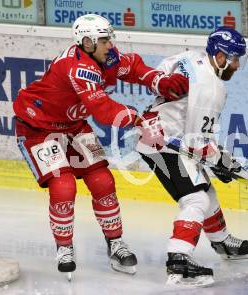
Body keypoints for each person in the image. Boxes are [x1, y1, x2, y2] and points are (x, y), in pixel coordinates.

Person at [12, 14, 188, 278]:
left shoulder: (104, 56)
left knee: (103, 181)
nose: (110, 45)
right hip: (39, 128)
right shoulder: (77, 67)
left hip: (73, 126)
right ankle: (64, 247)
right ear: (86, 42)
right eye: (104, 40)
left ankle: (115, 242)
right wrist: (139, 119)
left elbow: (132, 67)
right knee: (64, 185)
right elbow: (103, 110)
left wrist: (158, 80)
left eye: (109, 39)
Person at [136, 27, 248, 287]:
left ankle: (222, 241)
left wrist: (220, 160)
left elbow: (161, 76)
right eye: (234, 59)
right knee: (196, 198)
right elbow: (197, 142)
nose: (236, 65)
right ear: (221, 57)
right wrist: (222, 161)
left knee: (205, 188)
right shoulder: (212, 89)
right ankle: (179, 260)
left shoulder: (191, 57)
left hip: (160, 133)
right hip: (163, 143)